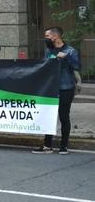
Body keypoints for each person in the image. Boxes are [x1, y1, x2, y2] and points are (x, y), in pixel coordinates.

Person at [33, 27, 81, 155]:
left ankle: (63, 146)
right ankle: (47, 145)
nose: (46, 39)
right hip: (51, 88)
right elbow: (45, 66)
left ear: (55, 37)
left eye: (47, 36)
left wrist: (66, 58)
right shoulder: (49, 51)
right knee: (49, 116)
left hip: (66, 87)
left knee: (63, 116)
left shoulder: (70, 51)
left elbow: (77, 66)